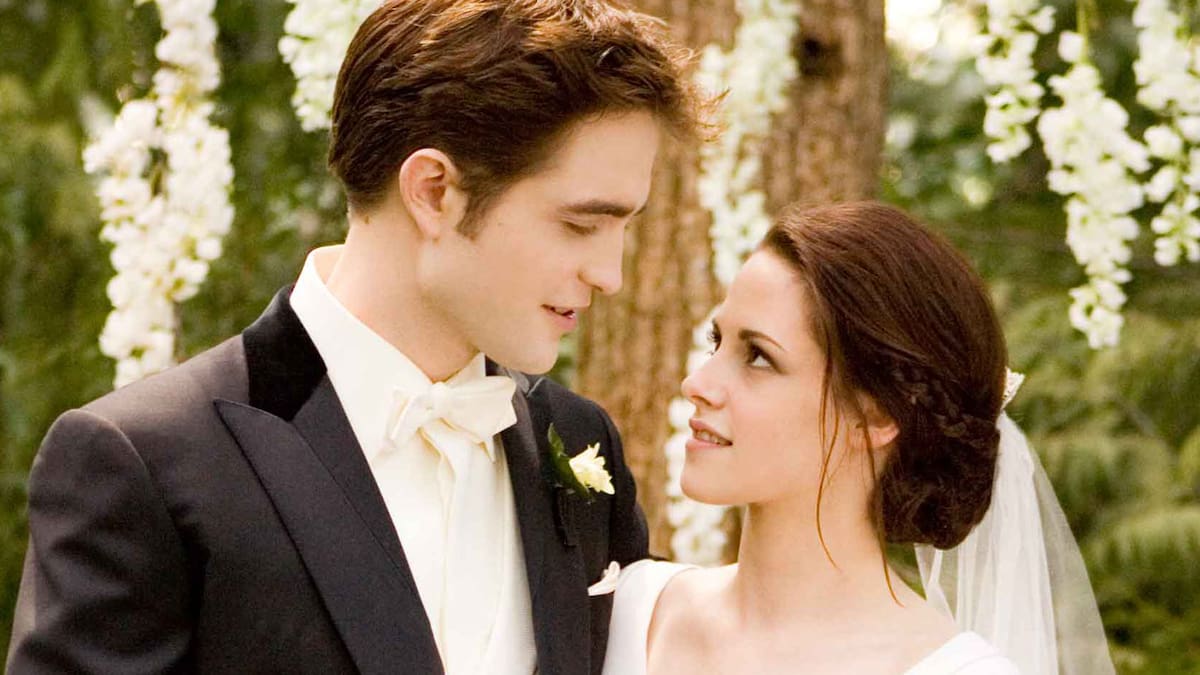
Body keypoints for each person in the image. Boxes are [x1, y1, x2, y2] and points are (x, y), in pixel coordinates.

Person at [7, 1, 703, 673]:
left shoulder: (579, 443)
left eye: (625, 226)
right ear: (433, 191)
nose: (611, 274)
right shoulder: (146, 462)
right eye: (581, 225)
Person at [603, 202, 1114, 674]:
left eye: (758, 357)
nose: (698, 384)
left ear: (875, 416)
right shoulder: (629, 611)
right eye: (717, 341)